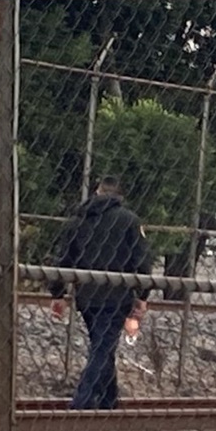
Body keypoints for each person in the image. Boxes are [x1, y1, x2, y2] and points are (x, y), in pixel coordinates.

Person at [49, 176, 152, 410]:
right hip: (117, 294)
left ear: (97, 192)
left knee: (101, 344)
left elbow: (64, 259)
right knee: (102, 348)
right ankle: (82, 402)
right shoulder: (128, 221)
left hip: (86, 294)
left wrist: (57, 293)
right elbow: (142, 261)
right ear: (119, 197)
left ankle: (108, 399)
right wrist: (143, 296)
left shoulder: (79, 220)